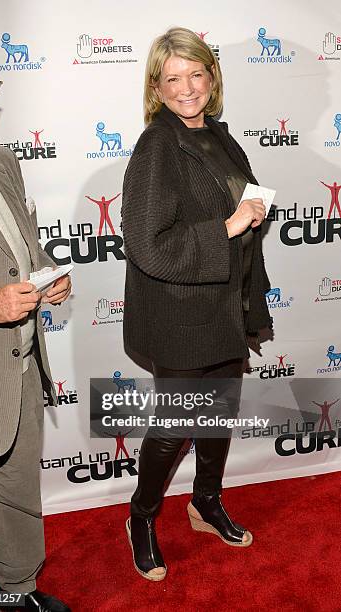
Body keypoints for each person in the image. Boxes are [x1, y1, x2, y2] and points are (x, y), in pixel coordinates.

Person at [122, 27, 271, 581]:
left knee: (220, 414)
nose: (188, 88)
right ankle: (141, 517)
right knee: (174, 426)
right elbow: (146, 241)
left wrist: (251, 210)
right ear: (156, 87)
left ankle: (205, 501)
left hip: (226, 307)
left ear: (213, 77)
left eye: (197, 74)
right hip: (180, 314)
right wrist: (227, 225)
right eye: (173, 78)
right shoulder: (157, 144)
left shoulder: (220, 136)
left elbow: (238, 207)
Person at [0, 33, 71, 611]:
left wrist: (48, 273)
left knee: (18, 497)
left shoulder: (0, 161)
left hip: (21, 367)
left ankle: (20, 590)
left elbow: (17, 247)